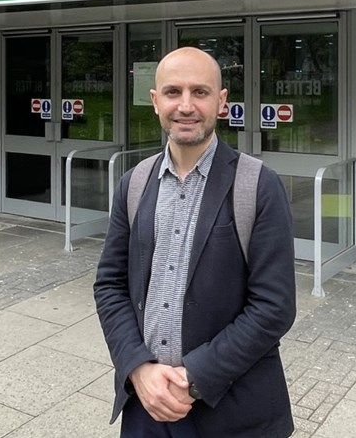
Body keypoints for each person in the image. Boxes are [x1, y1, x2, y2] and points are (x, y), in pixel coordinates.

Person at [94, 47, 296, 438]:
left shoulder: (258, 185)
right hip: (146, 408)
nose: (185, 106)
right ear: (155, 102)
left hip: (234, 413)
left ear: (221, 102)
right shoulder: (134, 183)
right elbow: (110, 286)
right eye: (173, 92)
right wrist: (138, 368)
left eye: (200, 93)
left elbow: (274, 307)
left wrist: (194, 377)